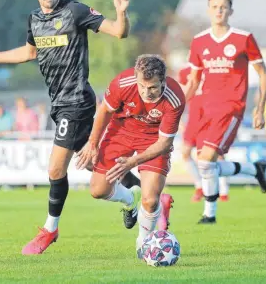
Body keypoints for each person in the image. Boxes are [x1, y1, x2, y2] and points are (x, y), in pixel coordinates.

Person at [0, 0, 139, 254]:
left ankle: (50, 230)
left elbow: (119, 32)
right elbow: (29, 53)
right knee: (98, 164)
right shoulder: (34, 20)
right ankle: (140, 197)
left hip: (77, 101)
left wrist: (121, 12)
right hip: (58, 104)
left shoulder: (76, 12)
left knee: (56, 168)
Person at [76, 55, 185, 257]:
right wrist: (93, 143)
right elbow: (105, 111)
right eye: (142, 86)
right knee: (98, 190)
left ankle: (144, 243)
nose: (146, 93)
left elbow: (164, 143)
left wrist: (133, 162)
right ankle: (129, 199)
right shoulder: (122, 83)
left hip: (153, 139)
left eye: (152, 87)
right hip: (122, 130)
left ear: (163, 80)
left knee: (151, 200)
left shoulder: (175, 98)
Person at [184, 0, 266, 224]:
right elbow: (193, 80)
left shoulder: (243, 38)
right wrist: (179, 105)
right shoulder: (199, 41)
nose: (219, 11)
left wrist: (259, 108)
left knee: (206, 159)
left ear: (230, 11)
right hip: (205, 109)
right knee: (205, 163)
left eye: (223, 7)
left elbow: (263, 74)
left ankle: (209, 215)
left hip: (231, 106)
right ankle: (254, 170)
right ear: (208, 11)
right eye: (214, 7)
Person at [178, 66, 229, 202]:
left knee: (214, 156)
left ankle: (223, 191)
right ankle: (199, 186)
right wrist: (179, 118)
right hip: (193, 120)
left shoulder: (213, 69)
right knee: (185, 153)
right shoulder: (184, 72)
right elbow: (182, 95)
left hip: (209, 119)